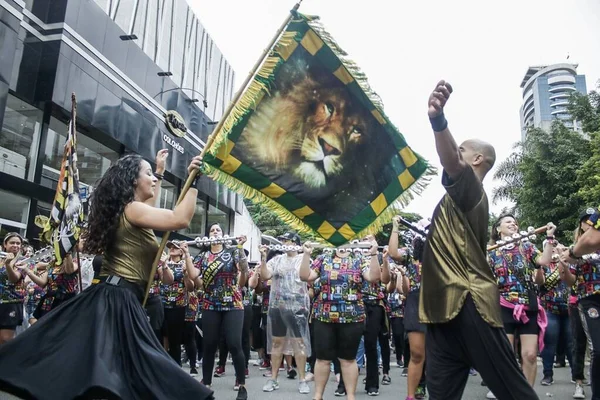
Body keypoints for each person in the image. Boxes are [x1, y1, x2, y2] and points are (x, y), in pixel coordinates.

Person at [0, 154, 214, 400]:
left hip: (116, 296)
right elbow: (180, 219)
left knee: (117, 372)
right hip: (117, 298)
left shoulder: (132, 211)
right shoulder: (132, 210)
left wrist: (160, 171)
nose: (153, 181)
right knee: (141, 368)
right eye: (148, 175)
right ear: (133, 180)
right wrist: (195, 181)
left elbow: (152, 208)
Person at [418, 80, 539, 400]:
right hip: (440, 313)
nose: (453, 155)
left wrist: (437, 121)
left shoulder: (471, 191)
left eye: (461, 151)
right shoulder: (455, 200)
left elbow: (451, 163)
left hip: (469, 304)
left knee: (515, 392)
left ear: (476, 161)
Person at [299, 236, 380, 400]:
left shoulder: (359, 259)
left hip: (352, 317)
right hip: (324, 316)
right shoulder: (324, 258)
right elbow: (305, 277)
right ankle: (318, 396)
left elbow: (373, 277)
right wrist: (306, 255)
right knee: (322, 359)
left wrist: (373, 255)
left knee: (348, 359)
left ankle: (351, 396)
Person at [193, 222, 249, 400]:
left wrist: (240, 246)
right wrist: (186, 255)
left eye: (218, 230)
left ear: (224, 235)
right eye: (212, 230)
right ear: (208, 236)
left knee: (234, 343)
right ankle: (207, 384)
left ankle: (241, 384)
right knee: (209, 344)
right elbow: (194, 277)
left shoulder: (232, 251)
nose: (215, 232)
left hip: (233, 303)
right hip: (210, 304)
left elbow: (244, 270)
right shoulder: (202, 257)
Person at [259, 232, 312, 395]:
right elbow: (265, 276)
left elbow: (306, 278)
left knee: (299, 344)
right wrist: (263, 257)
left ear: (295, 243)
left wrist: (306, 253)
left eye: (286, 240)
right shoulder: (276, 260)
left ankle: (302, 380)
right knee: (276, 343)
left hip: (297, 308)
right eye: (282, 241)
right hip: (277, 306)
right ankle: (273, 379)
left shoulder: (304, 258)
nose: (283, 243)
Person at [560, 207, 600, 400]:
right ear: (581, 224)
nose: (589, 222)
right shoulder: (576, 248)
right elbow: (570, 281)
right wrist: (563, 266)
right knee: (596, 348)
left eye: (590, 219)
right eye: (585, 220)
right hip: (589, 298)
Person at [0, 232, 26, 344]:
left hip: (12, 303)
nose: (15, 245)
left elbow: (14, 278)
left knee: (5, 339)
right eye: (12, 243)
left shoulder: (24, 261)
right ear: (5, 244)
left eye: (18, 243)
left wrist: (8, 264)